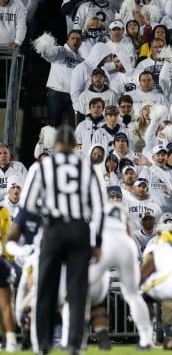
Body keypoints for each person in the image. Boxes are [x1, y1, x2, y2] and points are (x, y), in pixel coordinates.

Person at [17, 125, 106, 355]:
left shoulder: (42, 167)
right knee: (77, 292)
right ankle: (75, 345)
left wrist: (44, 210)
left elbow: (26, 205)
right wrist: (97, 242)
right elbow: (98, 207)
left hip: (53, 228)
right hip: (79, 229)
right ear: (74, 145)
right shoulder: (86, 168)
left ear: (55, 145)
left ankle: (43, 345)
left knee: (46, 289)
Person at [88, 203, 153, 350]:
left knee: (82, 293)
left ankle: (78, 337)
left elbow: (92, 236)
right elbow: (128, 231)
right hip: (125, 244)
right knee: (133, 295)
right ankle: (146, 339)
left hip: (104, 245)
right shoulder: (118, 209)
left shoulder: (96, 210)